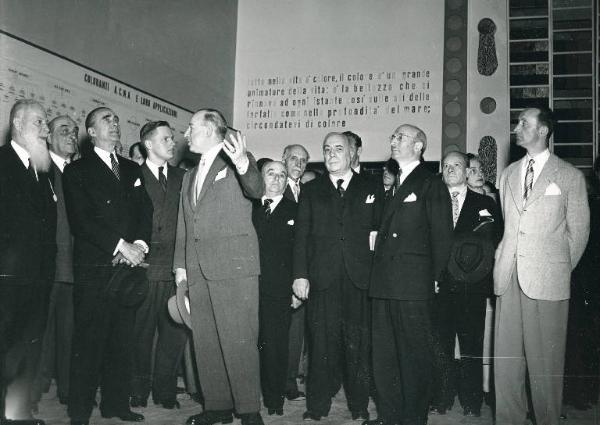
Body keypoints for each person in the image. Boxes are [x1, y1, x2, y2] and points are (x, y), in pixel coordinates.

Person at [493, 106, 589, 425]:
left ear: (544, 131)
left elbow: (579, 233)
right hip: (508, 278)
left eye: (524, 123)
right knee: (506, 366)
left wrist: (556, 268)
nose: (516, 127)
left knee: (545, 367)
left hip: (548, 281)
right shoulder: (507, 175)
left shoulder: (569, 176)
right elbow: (508, 227)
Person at [173, 109, 264, 425]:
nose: (185, 134)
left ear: (211, 130)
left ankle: (250, 410)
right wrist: (181, 269)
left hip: (234, 267)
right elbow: (185, 224)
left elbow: (256, 188)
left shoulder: (238, 160)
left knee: (239, 339)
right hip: (197, 270)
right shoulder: (187, 176)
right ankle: (218, 406)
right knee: (207, 342)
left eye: (191, 127)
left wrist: (241, 163)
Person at [63, 107, 153, 425]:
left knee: (121, 339)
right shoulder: (77, 171)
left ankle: (116, 404)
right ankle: (79, 411)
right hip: (96, 268)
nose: (114, 124)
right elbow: (82, 220)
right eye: (106, 120)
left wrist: (139, 246)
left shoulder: (131, 169)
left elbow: (145, 211)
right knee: (88, 342)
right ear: (91, 132)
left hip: (128, 269)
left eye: (116, 119)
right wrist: (121, 245)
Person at [365, 124, 453, 425]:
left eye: (400, 137)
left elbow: (442, 236)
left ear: (419, 146)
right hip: (384, 284)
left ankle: (414, 418)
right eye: (392, 136)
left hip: (413, 285)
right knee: (384, 356)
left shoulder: (430, 183)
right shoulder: (393, 185)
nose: (393, 140)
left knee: (413, 357)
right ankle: (389, 416)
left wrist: (435, 277)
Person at [293, 132, 382, 421]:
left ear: (351, 154)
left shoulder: (371, 186)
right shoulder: (311, 190)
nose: (332, 154)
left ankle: (359, 406)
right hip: (322, 279)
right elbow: (301, 237)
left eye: (338, 149)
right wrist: (300, 276)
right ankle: (316, 407)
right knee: (320, 344)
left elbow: (379, 233)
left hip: (361, 280)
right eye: (327, 149)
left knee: (359, 346)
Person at [430, 151, 502, 417]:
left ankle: (472, 401)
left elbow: (494, 241)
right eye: (446, 166)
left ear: (466, 170)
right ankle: (442, 397)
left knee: (472, 344)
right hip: (440, 286)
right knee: (441, 344)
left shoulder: (486, 203)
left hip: (473, 286)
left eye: (456, 165)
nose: (450, 169)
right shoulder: (432, 201)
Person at [0, 99, 57, 425]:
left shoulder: (42, 172)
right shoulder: (1, 161)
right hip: (7, 279)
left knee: (27, 350)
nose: (45, 130)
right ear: (18, 124)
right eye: (39, 122)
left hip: (37, 280)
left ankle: (18, 414)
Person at [130, 121, 188, 409]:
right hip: (144, 268)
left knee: (174, 333)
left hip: (176, 269)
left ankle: (165, 392)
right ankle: (138, 390)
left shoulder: (184, 177)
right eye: (165, 138)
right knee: (140, 333)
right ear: (148, 144)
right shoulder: (132, 175)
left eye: (172, 138)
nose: (172, 142)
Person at [33, 115, 78, 408]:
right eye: (64, 131)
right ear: (48, 137)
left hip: (76, 269)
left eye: (75, 131)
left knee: (70, 335)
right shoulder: (37, 169)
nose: (72, 135)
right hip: (46, 268)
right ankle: (32, 395)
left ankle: (69, 393)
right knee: (40, 336)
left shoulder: (81, 172)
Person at [252, 161, 298, 416]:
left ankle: (274, 400)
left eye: (282, 175)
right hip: (246, 289)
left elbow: (302, 254)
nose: (277, 180)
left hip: (278, 291)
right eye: (271, 174)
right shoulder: (247, 208)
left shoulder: (297, 210)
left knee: (275, 346)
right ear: (261, 177)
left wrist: (296, 290)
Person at [281, 143, 309, 401]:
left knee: (295, 333)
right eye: (293, 158)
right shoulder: (273, 186)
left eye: (303, 160)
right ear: (283, 159)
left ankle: (289, 383)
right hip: (279, 271)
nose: (298, 164)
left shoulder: (309, 191)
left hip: (302, 273)